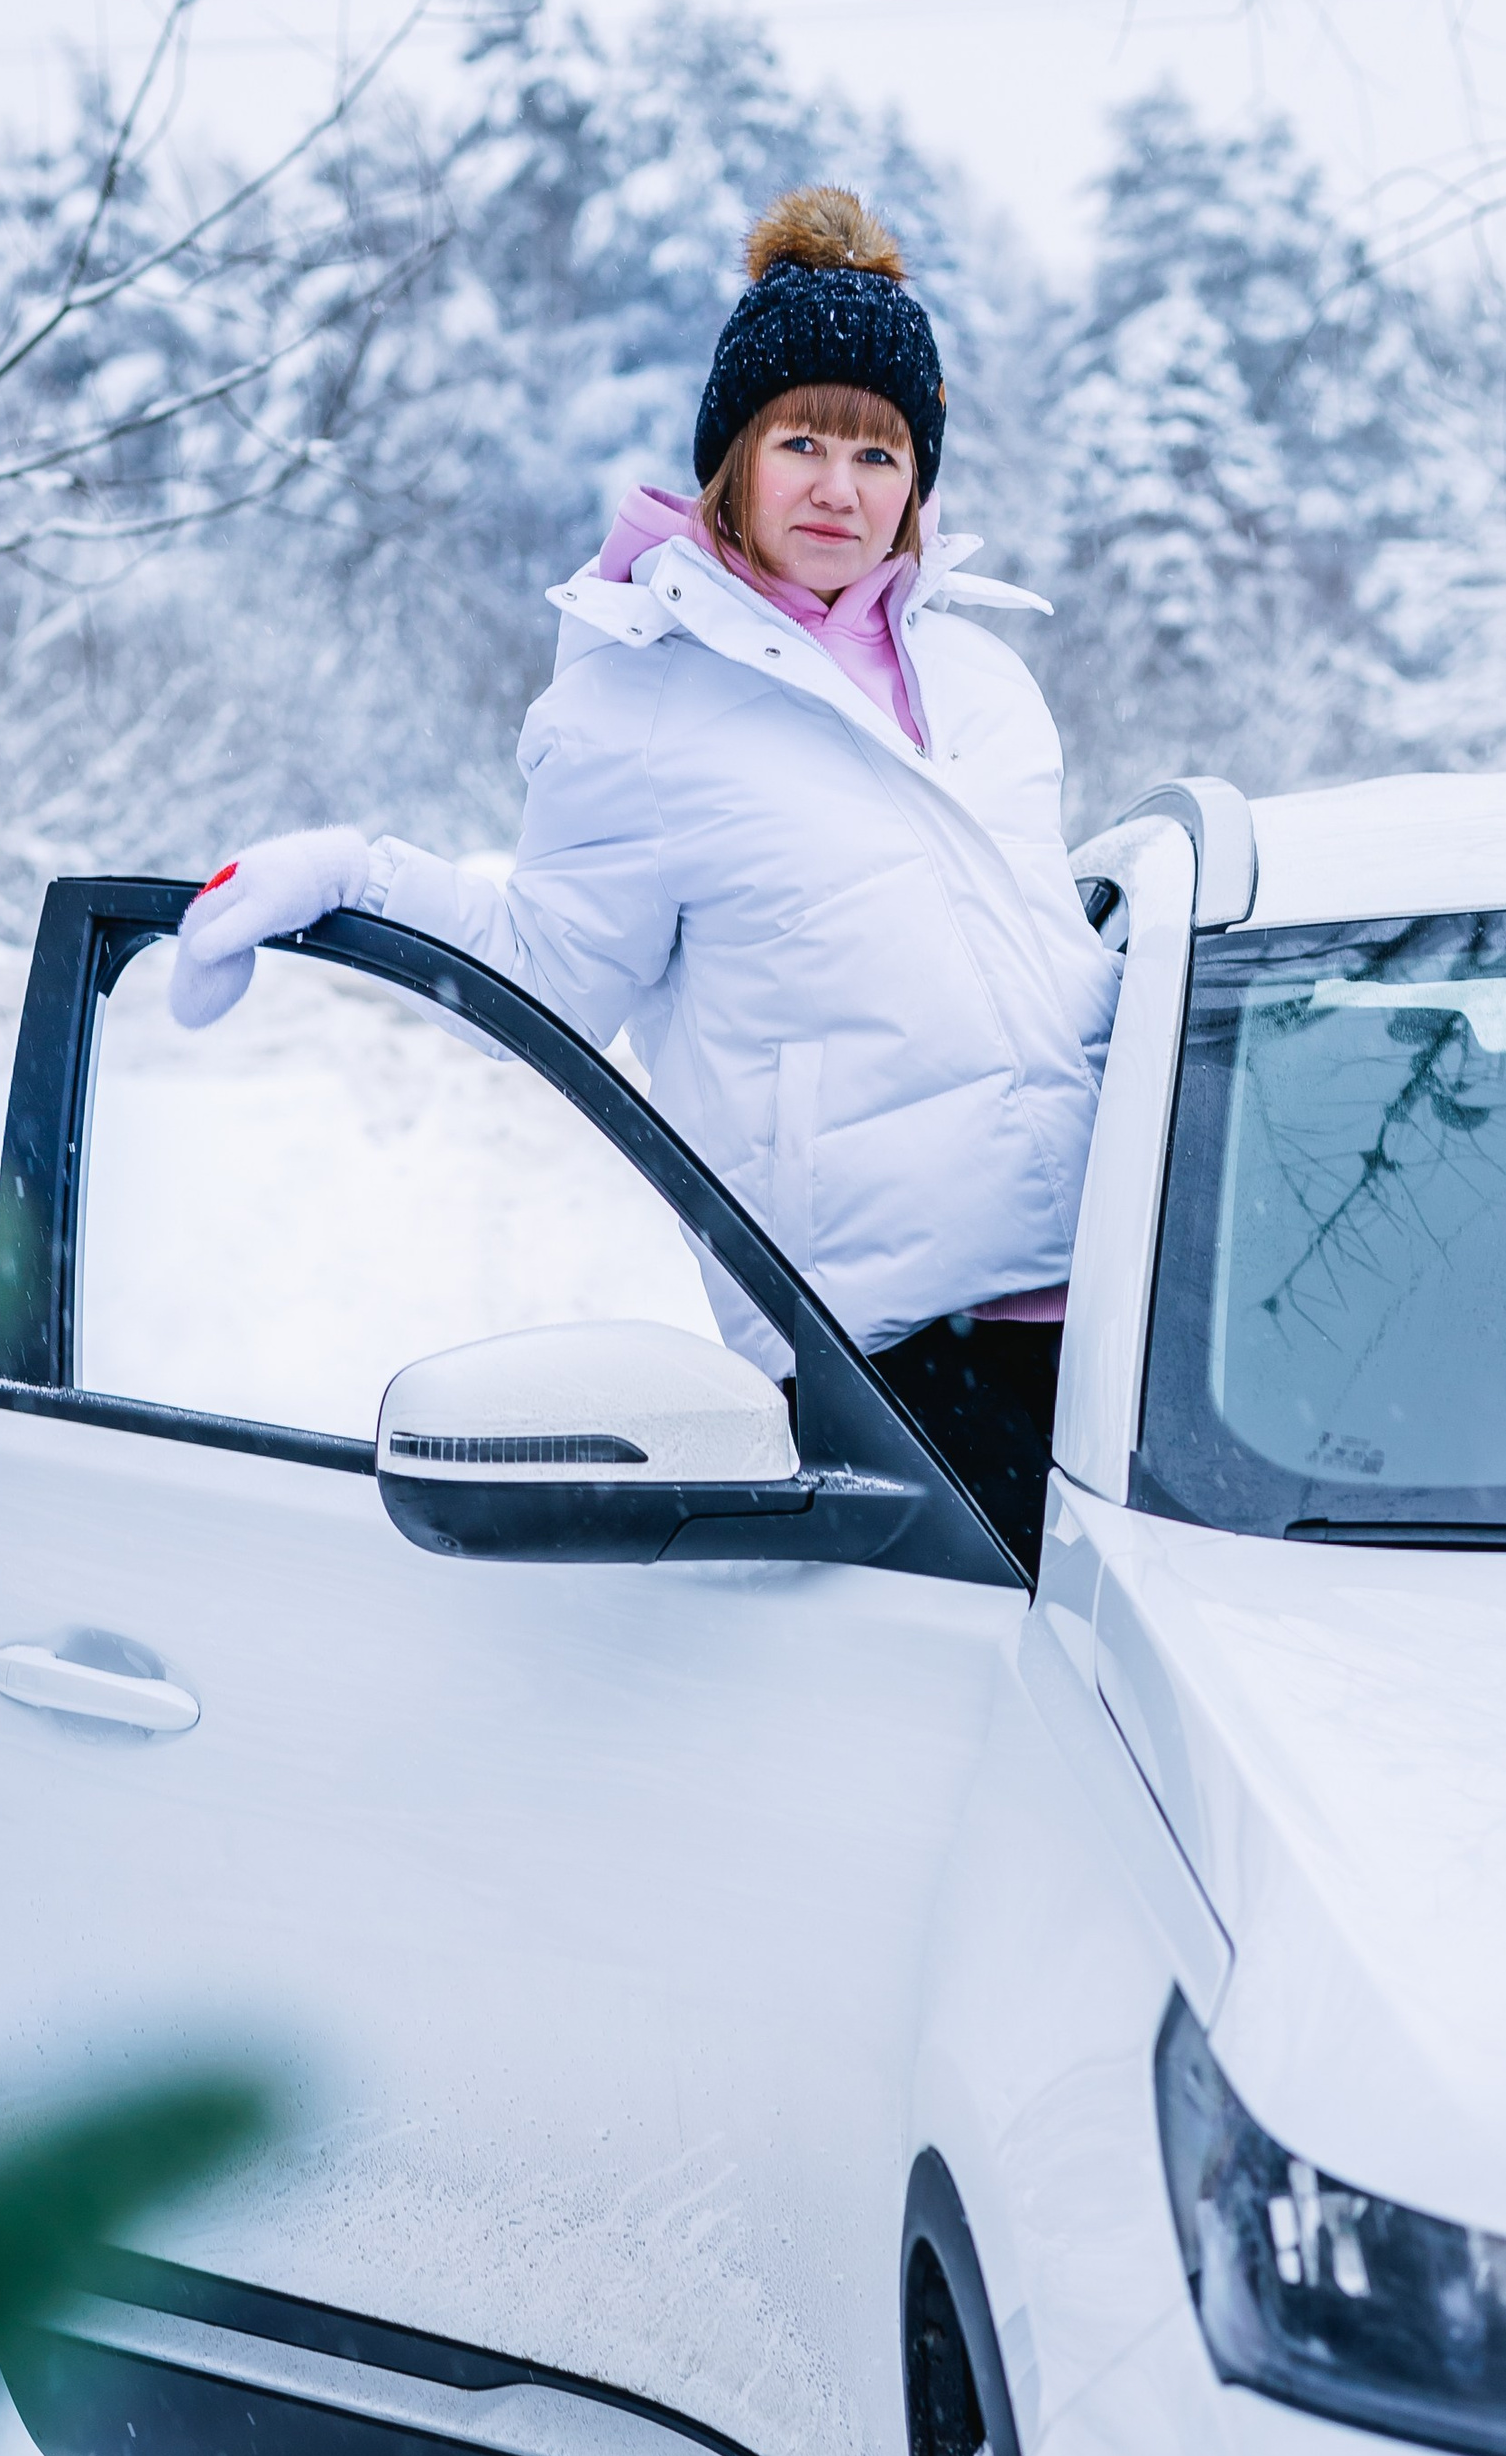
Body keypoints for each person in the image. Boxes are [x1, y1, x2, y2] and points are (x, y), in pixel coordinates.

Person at [169, 184, 1122, 1570]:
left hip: (1117, 1317)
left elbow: (1044, 965)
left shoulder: (985, 681)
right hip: (900, 1365)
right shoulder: (648, 709)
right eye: (803, 440)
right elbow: (547, 972)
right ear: (733, 453)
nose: (839, 489)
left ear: (921, 479)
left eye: (880, 452)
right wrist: (352, 881)